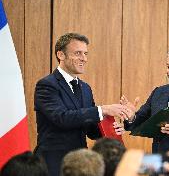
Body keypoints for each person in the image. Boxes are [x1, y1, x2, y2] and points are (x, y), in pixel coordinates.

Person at [34, 33, 128, 176]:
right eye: (78, 53)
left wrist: (112, 129)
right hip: (53, 163)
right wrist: (102, 110)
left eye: (85, 53)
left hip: (81, 165)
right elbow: (61, 118)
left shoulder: (85, 88)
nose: (84, 58)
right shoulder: (47, 85)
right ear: (61, 54)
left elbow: (91, 130)